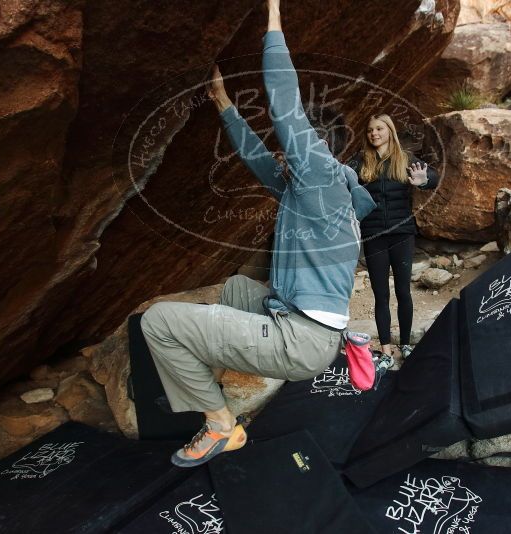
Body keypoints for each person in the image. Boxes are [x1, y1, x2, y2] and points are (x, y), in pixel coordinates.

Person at [139, 0, 376, 468]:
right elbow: (257, 159)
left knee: (159, 322)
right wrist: (224, 103)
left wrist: (273, 17)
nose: (282, 151)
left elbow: (284, 104)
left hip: (300, 341)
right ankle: (201, 373)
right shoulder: (313, 192)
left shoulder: (321, 177)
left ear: (317, 146)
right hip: (302, 326)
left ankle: (221, 426)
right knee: (234, 290)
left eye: (294, 145)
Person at [347, 115, 439, 360]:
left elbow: (434, 177)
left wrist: (424, 181)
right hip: (374, 234)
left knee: (403, 291)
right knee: (381, 294)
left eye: (379, 128)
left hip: (402, 233)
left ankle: (406, 345)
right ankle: (386, 350)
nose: (374, 133)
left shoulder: (405, 158)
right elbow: (340, 180)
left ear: (390, 131)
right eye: (369, 130)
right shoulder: (359, 161)